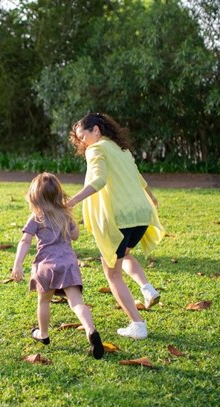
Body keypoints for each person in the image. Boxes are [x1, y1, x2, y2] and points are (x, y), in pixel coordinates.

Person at [67, 112, 165, 340]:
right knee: (124, 254)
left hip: (120, 218)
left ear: (96, 131)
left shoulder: (96, 149)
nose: (82, 142)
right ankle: (147, 289)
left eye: (83, 136)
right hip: (141, 215)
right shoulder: (122, 149)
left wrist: (72, 201)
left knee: (112, 273)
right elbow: (139, 178)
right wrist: (151, 198)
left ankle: (137, 325)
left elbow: (98, 180)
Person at [10, 173, 104, 360]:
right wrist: (71, 218)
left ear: (34, 197)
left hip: (45, 265)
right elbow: (75, 235)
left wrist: (17, 264)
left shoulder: (36, 216)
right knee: (76, 302)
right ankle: (90, 329)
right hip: (68, 263)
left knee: (44, 301)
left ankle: (43, 334)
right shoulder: (64, 214)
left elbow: (25, 240)